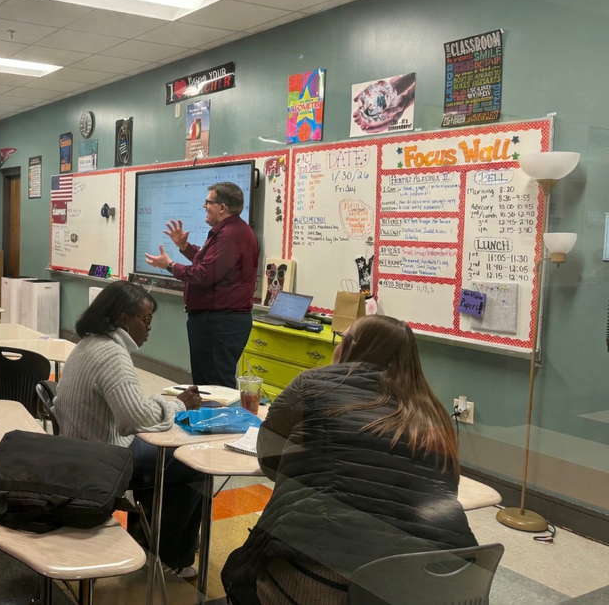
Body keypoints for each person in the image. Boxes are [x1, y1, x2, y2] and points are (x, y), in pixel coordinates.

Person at [222, 315, 477, 605]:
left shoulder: (313, 384)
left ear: (350, 346)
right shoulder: (433, 411)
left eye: (343, 337)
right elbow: (447, 488)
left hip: (331, 577)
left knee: (244, 577)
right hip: (436, 584)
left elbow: (268, 457)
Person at [55, 280, 205, 579]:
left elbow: (125, 405)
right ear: (124, 319)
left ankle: (150, 539)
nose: (150, 328)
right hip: (102, 460)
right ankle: (172, 555)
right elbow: (134, 420)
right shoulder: (112, 356)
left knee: (162, 456)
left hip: (76, 448)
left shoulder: (89, 343)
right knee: (192, 462)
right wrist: (179, 406)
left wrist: (158, 404)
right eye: (146, 320)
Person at [144, 181, 259, 387]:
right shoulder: (230, 231)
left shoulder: (229, 235)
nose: (204, 207)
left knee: (214, 386)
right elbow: (210, 264)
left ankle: (217, 420)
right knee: (209, 382)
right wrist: (185, 247)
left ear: (222, 207)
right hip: (217, 321)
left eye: (208, 202)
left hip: (218, 323)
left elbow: (204, 274)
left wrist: (170, 265)